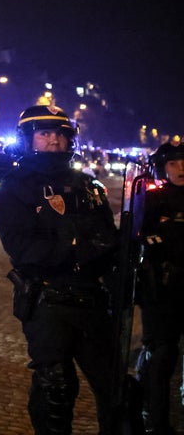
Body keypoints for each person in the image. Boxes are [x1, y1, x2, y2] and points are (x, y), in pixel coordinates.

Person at [0, 103, 119, 435]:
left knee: (117, 391)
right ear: (28, 140)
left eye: (60, 134)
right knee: (56, 391)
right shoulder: (15, 187)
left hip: (93, 299)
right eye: (45, 133)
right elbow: (24, 250)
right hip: (48, 300)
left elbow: (108, 239)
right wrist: (79, 249)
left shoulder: (88, 186)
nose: (54, 141)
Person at [135, 139, 184, 434]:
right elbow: (139, 239)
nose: (181, 169)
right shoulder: (152, 198)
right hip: (161, 292)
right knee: (161, 357)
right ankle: (154, 418)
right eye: (173, 164)